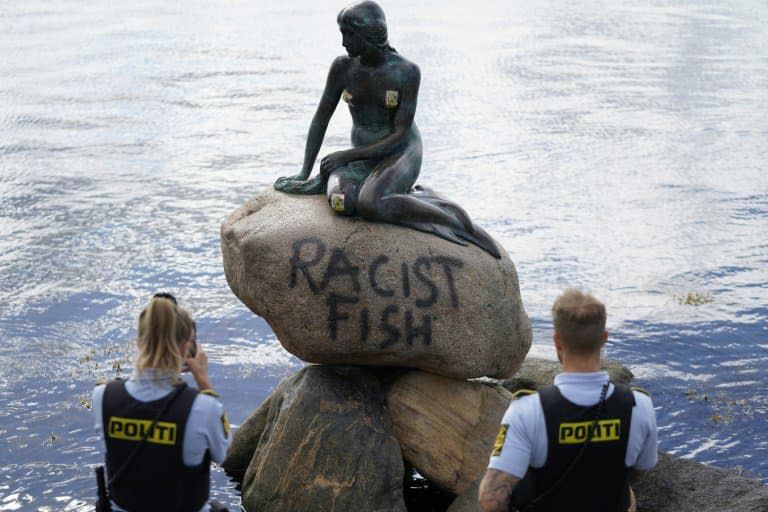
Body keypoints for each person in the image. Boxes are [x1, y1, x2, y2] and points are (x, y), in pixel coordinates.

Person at [273, 0, 500, 258]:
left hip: (401, 153)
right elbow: (320, 119)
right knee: (342, 203)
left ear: (370, 34)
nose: (344, 42)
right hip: (362, 157)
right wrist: (305, 171)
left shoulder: (406, 71)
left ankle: (453, 219)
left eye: (349, 34)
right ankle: (400, 196)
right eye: (342, 33)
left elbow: (399, 135)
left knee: (371, 203)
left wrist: (346, 157)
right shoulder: (342, 68)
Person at [478, 289, 658, 512]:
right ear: (604, 338)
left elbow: (491, 500)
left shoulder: (528, 410)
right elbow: (641, 469)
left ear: (557, 342)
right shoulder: (639, 406)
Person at [92, 293, 231, 512]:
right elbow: (223, 454)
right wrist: (203, 381)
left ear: (139, 342)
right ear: (186, 349)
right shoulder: (204, 408)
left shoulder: (103, 398)